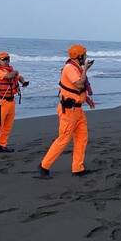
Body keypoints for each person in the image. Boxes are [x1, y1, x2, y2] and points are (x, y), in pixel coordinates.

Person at [39, 44, 96, 178]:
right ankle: (44, 166)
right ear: (79, 56)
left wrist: (86, 99)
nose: (86, 57)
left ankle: (78, 168)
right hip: (69, 111)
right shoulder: (70, 68)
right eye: (84, 55)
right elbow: (79, 84)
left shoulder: (76, 68)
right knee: (63, 139)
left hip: (78, 110)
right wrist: (85, 70)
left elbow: (76, 90)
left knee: (82, 138)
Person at [0, 51, 29, 156]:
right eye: (4, 59)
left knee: (8, 126)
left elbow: (18, 77)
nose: (7, 61)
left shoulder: (10, 70)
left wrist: (23, 81)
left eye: (8, 59)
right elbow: (9, 76)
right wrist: (16, 72)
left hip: (11, 101)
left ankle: (2, 145)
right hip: (1, 102)